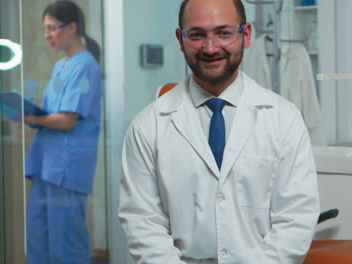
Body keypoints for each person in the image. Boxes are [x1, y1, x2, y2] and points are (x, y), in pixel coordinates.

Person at [119, 0, 320, 263]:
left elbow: (296, 217)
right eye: (197, 34)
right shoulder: (148, 125)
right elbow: (142, 222)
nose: (210, 47)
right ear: (180, 40)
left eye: (223, 33)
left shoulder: (285, 119)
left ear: (245, 35)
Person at [23, 1, 102, 263]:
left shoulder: (85, 65)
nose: (47, 36)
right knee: (38, 239)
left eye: (51, 29)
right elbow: (50, 113)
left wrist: (32, 116)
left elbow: (67, 119)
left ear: (72, 27)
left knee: (65, 244)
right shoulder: (61, 66)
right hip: (46, 164)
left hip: (66, 169)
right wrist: (29, 114)